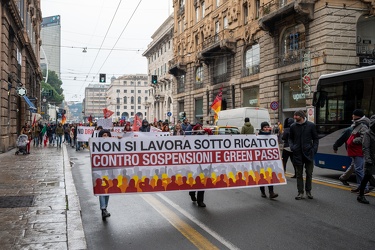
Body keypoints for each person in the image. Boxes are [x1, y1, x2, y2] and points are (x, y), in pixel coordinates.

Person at [289, 110, 319, 200]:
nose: (294, 117)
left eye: (296, 116)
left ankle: (308, 191)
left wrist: (314, 149)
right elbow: (290, 138)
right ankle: (300, 192)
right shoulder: (293, 126)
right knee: (299, 174)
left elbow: (316, 139)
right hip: (297, 153)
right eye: (294, 116)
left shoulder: (311, 125)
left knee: (309, 173)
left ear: (301, 116)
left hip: (309, 153)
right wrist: (292, 147)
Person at [346, 109, 370, 194]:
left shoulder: (362, 125)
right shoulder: (357, 123)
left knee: (359, 169)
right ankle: (360, 186)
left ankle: (365, 187)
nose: (352, 115)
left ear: (357, 116)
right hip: (355, 151)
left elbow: (364, 137)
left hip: (359, 151)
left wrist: (354, 141)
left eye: (353, 114)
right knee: (357, 169)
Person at [258, 122, 278, 199]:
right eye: (265, 127)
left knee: (270, 175)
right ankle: (262, 191)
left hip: (269, 160)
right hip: (261, 160)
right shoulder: (258, 136)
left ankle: (271, 192)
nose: (266, 128)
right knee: (262, 176)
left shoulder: (272, 137)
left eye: (267, 127)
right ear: (262, 128)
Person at [357, 115, 375, 204]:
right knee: (366, 177)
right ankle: (361, 195)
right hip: (370, 159)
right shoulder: (368, 133)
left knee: (369, 177)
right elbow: (365, 148)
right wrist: (368, 159)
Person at [189, 123, 206, 207]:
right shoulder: (191, 139)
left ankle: (200, 201)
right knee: (195, 180)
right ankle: (192, 192)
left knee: (202, 181)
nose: (200, 130)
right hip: (194, 163)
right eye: (198, 129)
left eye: (201, 128)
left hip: (203, 162)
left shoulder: (205, 137)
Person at [97, 129, 112, 220]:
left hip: (109, 171)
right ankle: (103, 209)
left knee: (108, 191)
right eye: (103, 135)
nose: (105, 137)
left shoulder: (112, 144)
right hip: (100, 171)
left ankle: (105, 207)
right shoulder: (97, 145)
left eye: (107, 135)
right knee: (101, 191)